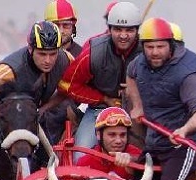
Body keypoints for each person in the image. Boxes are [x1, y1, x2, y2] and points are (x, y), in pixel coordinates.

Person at [126, 17, 196, 180]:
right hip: (157, 139)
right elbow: (130, 74)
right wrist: (137, 106)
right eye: (150, 47)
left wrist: (184, 130)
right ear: (142, 47)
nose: (155, 52)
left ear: (171, 45)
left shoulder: (188, 74)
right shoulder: (140, 62)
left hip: (188, 143)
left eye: (160, 47)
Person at [57, 1, 142, 162]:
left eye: (129, 30)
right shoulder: (94, 52)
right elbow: (66, 85)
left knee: (154, 153)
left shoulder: (148, 51)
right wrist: (103, 99)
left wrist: (136, 93)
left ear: (137, 30)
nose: (123, 35)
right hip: (99, 110)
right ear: (109, 29)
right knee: (80, 156)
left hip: (140, 111)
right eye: (118, 29)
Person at [0, 21, 69, 154]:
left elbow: (67, 89)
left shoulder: (66, 60)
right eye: (42, 54)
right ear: (30, 49)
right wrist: (9, 119)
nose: (48, 60)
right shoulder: (9, 69)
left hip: (30, 119)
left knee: (47, 159)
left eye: (53, 54)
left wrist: (43, 109)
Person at [75, 107, 140, 179]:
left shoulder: (137, 155)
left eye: (123, 135)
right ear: (98, 134)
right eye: (112, 135)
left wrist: (133, 164)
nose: (118, 141)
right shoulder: (85, 162)